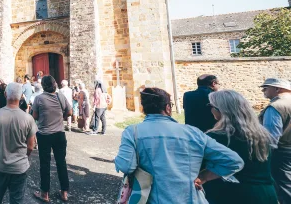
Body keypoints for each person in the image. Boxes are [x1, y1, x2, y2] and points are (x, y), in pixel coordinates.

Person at [114, 87, 244, 203]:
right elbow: (234, 161)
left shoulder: (133, 132)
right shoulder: (193, 133)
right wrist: (204, 176)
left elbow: (126, 166)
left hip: (153, 198)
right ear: (167, 108)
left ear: (144, 109)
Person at [199, 90, 277, 204]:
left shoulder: (215, 138)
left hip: (232, 194)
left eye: (211, 106)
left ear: (220, 110)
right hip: (265, 192)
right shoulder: (262, 134)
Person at [0, 83, 38, 204]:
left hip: (0, 165)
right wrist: (23, 157)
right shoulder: (28, 118)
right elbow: (31, 146)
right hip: (19, 167)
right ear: (21, 97)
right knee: (17, 200)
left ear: (5, 94)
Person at [32, 76, 72, 202]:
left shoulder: (38, 98)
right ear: (54, 84)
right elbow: (70, 112)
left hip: (44, 135)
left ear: (43, 86)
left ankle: (45, 193)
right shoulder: (60, 96)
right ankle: (64, 192)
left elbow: (35, 116)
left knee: (45, 164)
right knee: (61, 163)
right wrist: (61, 117)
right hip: (59, 134)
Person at [259, 78, 291, 203]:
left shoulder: (276, 106)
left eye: (266, 87)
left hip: (282, 152)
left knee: (284, 186)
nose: (263, 90)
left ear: (277, 89)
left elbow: (271, 137)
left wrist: (264, 154)